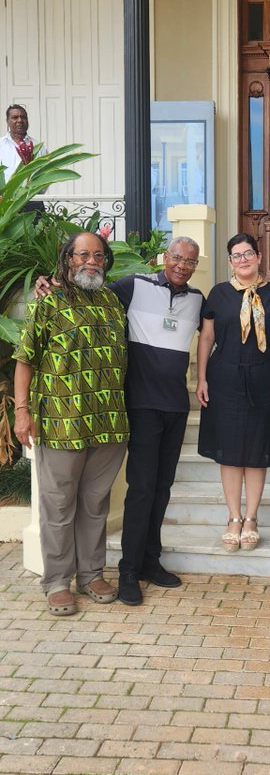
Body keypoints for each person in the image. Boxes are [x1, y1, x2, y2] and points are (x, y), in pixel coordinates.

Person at [34, 236, 205, 607]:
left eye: (189, 261)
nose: (181, 265)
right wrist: (49, 279)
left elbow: (207, 339)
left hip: (170, 407)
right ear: (165, 257)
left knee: (160, 489)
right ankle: (126, 571)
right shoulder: (132, 286)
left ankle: (148, 561)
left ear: (195, 266)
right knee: (140, 489)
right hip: (135, 407)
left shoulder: (197, 300)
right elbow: (81, 280)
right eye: (176, 257)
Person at [13, 232, 128, 616]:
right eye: (83, 254)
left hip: (108, 422)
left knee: (95, 504)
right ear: (68, 258)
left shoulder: (112, 300)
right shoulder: (47, 301)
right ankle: (57, 581)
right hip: (61, 423)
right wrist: (22, 411)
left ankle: (91, 573)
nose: (91, 261)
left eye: (98, 255)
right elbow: (25, 359)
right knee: (58, 505)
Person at [196, 233, 270, 551]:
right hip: (224, 378)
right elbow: (207, 339)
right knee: (230, 451)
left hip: (264, 377)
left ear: (259, 256)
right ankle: (233, 517)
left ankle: (251, 517)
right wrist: (201, 379)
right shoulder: (219, 294)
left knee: (256, 451)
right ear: (230, 262)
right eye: (236, 255)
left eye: (248, 253)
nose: (243, 260)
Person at [0, 103, 46, 183]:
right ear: (7, 121)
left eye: (23, 117)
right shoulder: (1, 145)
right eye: (15, 117)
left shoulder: (39, 147)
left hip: (31, 194)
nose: (20, 120)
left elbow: (46, 173)